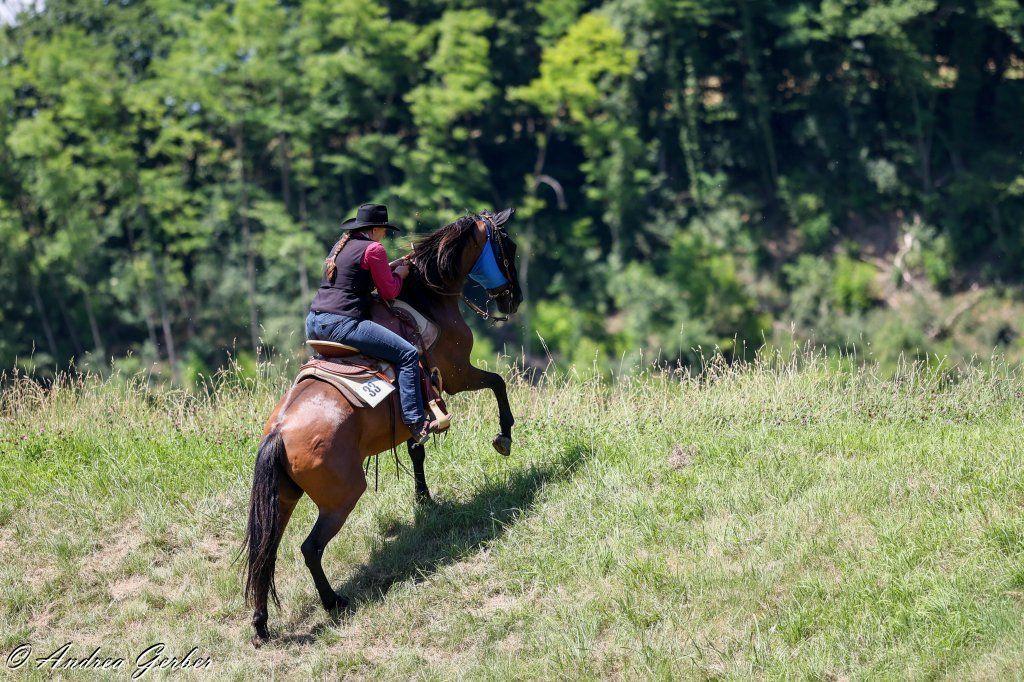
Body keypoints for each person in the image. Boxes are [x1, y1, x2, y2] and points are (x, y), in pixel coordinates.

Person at [306, 203, 437, 444]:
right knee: (407, 354)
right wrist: (400, 275)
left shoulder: (341, 245)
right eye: (384, 230)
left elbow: (355, 276)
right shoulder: (374, 249)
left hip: (314, 322)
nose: (384, 235)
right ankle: (416, 422)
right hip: (342, 323)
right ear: (375, 229)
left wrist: (389, 268)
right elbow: (389, 292)